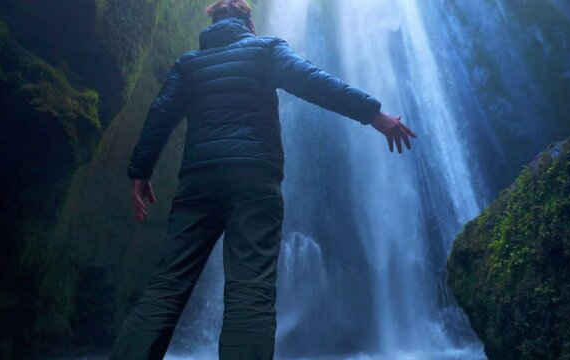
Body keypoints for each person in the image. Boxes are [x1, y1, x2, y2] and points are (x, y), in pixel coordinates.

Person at [110, 0, 417, 359]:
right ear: (248, 20)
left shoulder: (188, 64)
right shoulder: (266, 48)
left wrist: (141, 171)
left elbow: (160, 112)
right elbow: (313, 82)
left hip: (199, 181)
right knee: (249, 289)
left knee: (166, 286)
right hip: (254, 179)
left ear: (212, 24)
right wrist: (374, 114)